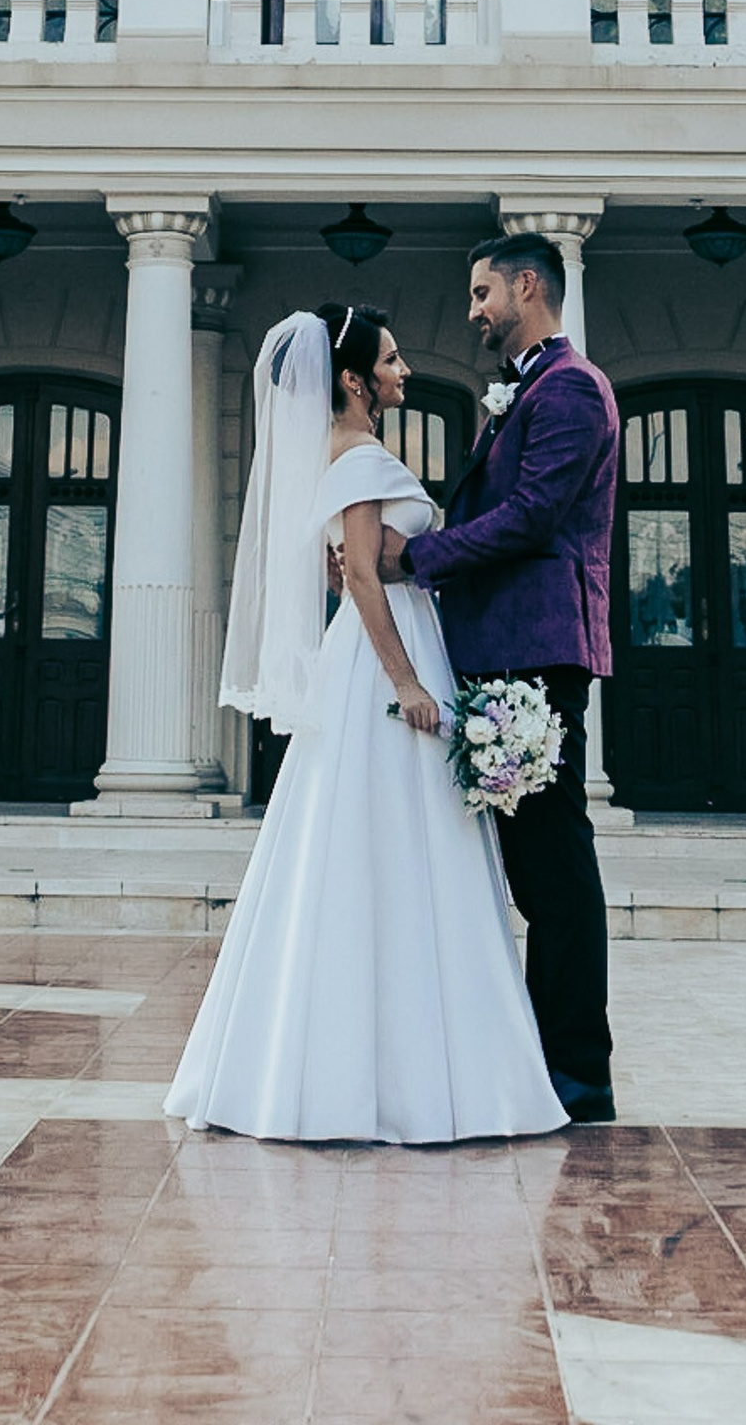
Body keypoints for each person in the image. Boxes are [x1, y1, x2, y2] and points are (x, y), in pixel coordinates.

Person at [164, 299, 567, 1146]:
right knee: (391, 849)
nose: (403, 371)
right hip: (385, 665)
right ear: (353, 379)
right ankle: (398, 1074)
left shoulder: (345, 455)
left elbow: (349, 570)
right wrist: (410, 683)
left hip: (386, 650)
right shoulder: (360, 459)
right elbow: (360, 582)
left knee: (397, 849)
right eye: (390, 360)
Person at [380, 231, 620, 1124]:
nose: (474, 310)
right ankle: (545, 1059)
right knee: (534, 871)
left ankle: (580, 1073)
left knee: (555, 867)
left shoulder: (570, 391)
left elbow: (528, 519)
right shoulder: (526, 392)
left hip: (537, 654)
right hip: (500, 652)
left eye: (483, 292)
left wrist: (417, 558)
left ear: (529, 286)